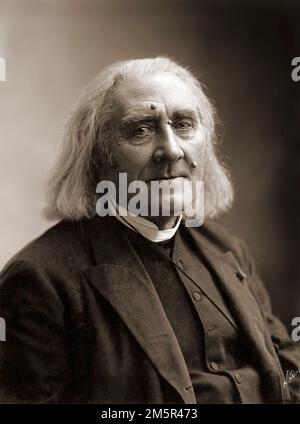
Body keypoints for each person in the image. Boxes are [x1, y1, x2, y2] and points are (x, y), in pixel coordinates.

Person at [0, 57, 299, 404]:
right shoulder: (41, 280)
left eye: (184, 124)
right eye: (141, 129)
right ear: (99, 156)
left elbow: (287, 367)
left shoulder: (227, 249)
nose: (171, 150)